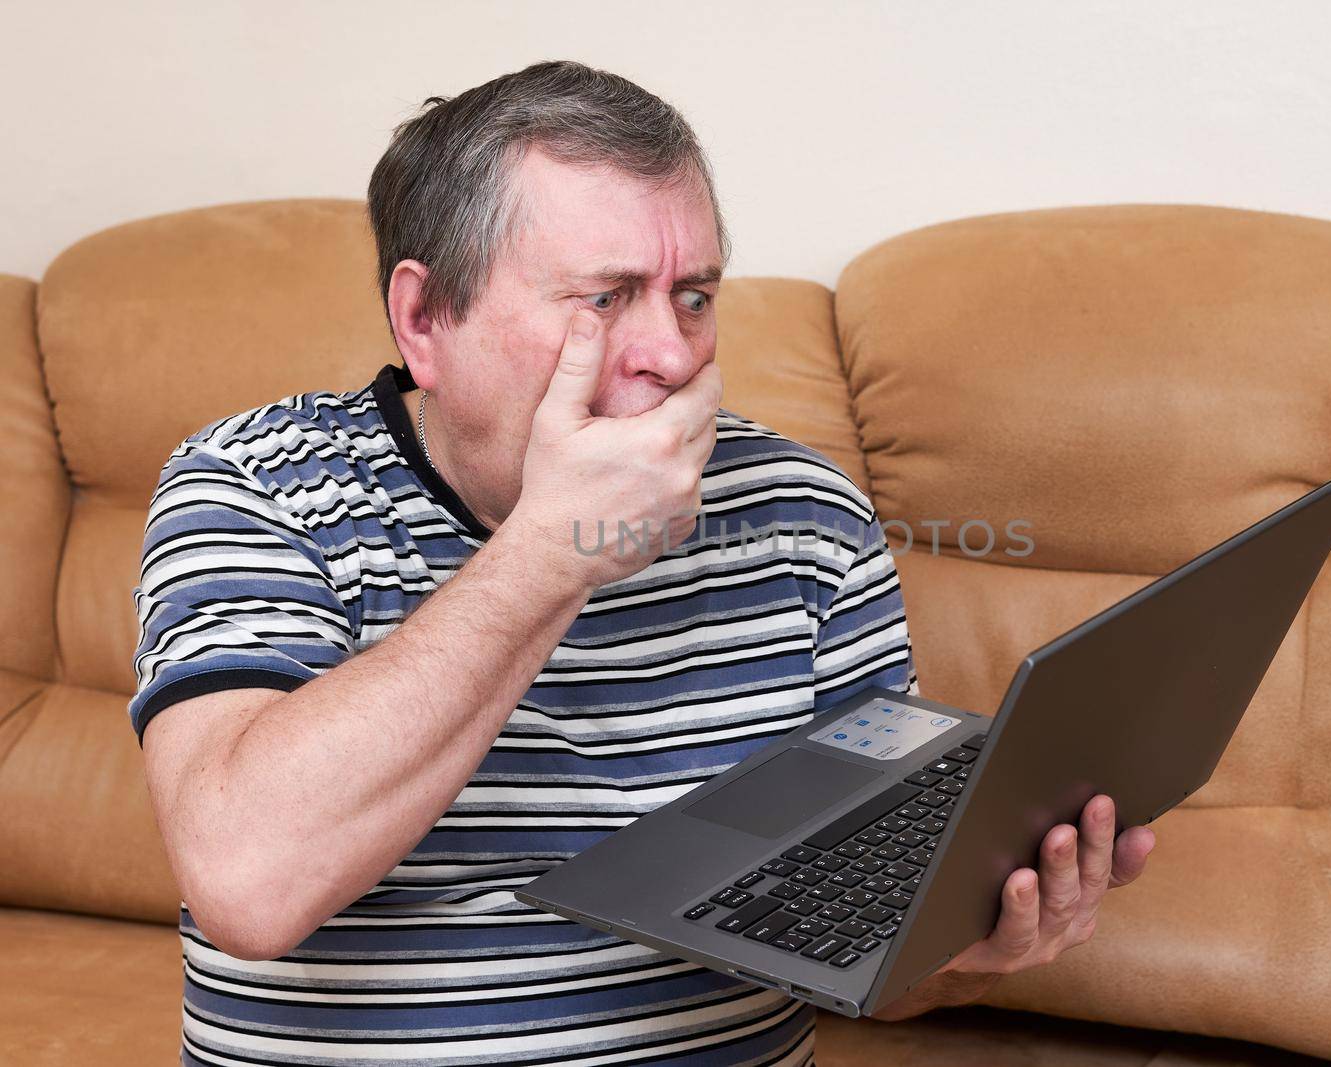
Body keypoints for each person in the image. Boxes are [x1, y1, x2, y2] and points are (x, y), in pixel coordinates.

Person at [129, 59, 1156, 1067]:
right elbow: (248, 883)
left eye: (694, 296)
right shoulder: (254, 485)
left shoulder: (803, 517)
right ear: (425, 318)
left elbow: (868, 953)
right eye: (606, 296)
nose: (668, 350)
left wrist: (965, 946)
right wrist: (550, 553)